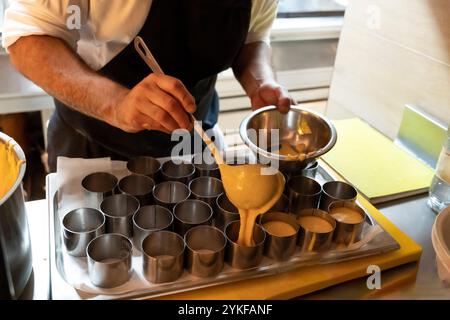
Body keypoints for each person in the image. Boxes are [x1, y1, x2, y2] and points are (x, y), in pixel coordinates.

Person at [2, 0, 293, 172]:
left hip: (196, 142)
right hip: (94, 151)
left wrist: (260, 81)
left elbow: (254, 35)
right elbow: (28, 38)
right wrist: (116, 104)